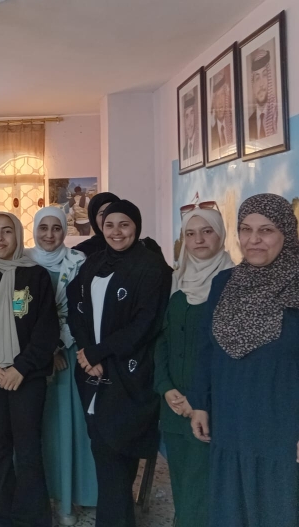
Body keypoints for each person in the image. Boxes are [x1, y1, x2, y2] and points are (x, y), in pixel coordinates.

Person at [189, 194, 299, 527]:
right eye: (246, 229)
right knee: (231, 510)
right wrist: (200, 404)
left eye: (266, 230)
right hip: (230, 422)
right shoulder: (224, 283)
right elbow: (207, 349)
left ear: (286, 233)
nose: (253, 239)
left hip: (282, 427)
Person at [67, 200, 172, 527]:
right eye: (109, 225)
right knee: (108, 454)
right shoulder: (93, 263)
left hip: (130, 374)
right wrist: (86, 351)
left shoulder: (151, 267)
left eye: (124, 225)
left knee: (115, 452)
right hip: (92, 373)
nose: (116, 232)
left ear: (136, 227)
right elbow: (76, 308)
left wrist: (99, 353)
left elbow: (145, 323)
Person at [0, 212, 60, 527]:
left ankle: (33, 518)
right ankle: (2, 517)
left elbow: (46, 330)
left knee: (28, 448)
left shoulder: (37, 277)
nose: (0, 238)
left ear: (18, 235)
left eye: (7, 231)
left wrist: (21, 368)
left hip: (27, 377)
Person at [154, 204, 233, 527]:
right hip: (173, 405)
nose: (199, 240)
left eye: (207, 231)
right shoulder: (176, 281)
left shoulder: (234, 283)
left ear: (221, 235)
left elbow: (228, 354)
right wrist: (165, 388)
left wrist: (200, 399)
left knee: (204, 489)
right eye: (190, 234)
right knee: (182, 484)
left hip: (212, 407)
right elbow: (161, 340)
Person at [30, 207, 97, 526]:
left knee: (67, 426)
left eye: (56, 228)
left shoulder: (78, 263)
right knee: (36, 430)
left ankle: (69, 497)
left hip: (69, 356)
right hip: (32, 359)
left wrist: (60, 345)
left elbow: (83, 309)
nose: (49, 235)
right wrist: (46, 350)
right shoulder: (23, 262)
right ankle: (38, 500)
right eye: (43, 228)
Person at [72, 193, 120, 257]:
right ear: (94, 218)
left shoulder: (132, 248)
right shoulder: (81, 252)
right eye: (102, 214)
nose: (108, 218)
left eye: (112, 212)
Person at [247, 49, 278, 141]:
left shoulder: (277, 116)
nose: (261, 84)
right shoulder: (248, 123)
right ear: (253, 85)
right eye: (257, 78)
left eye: (264, 75)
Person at [208, 72, 234, 155]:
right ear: (213, 102)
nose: (220, 102)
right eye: (216, 97)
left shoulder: (234, 127)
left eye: (222, 94)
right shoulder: (211, 135)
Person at [182, 90, 200, 161]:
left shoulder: (199, 146)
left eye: (192, 113)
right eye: (186, 116)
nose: (189, 123)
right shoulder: (183, 152)